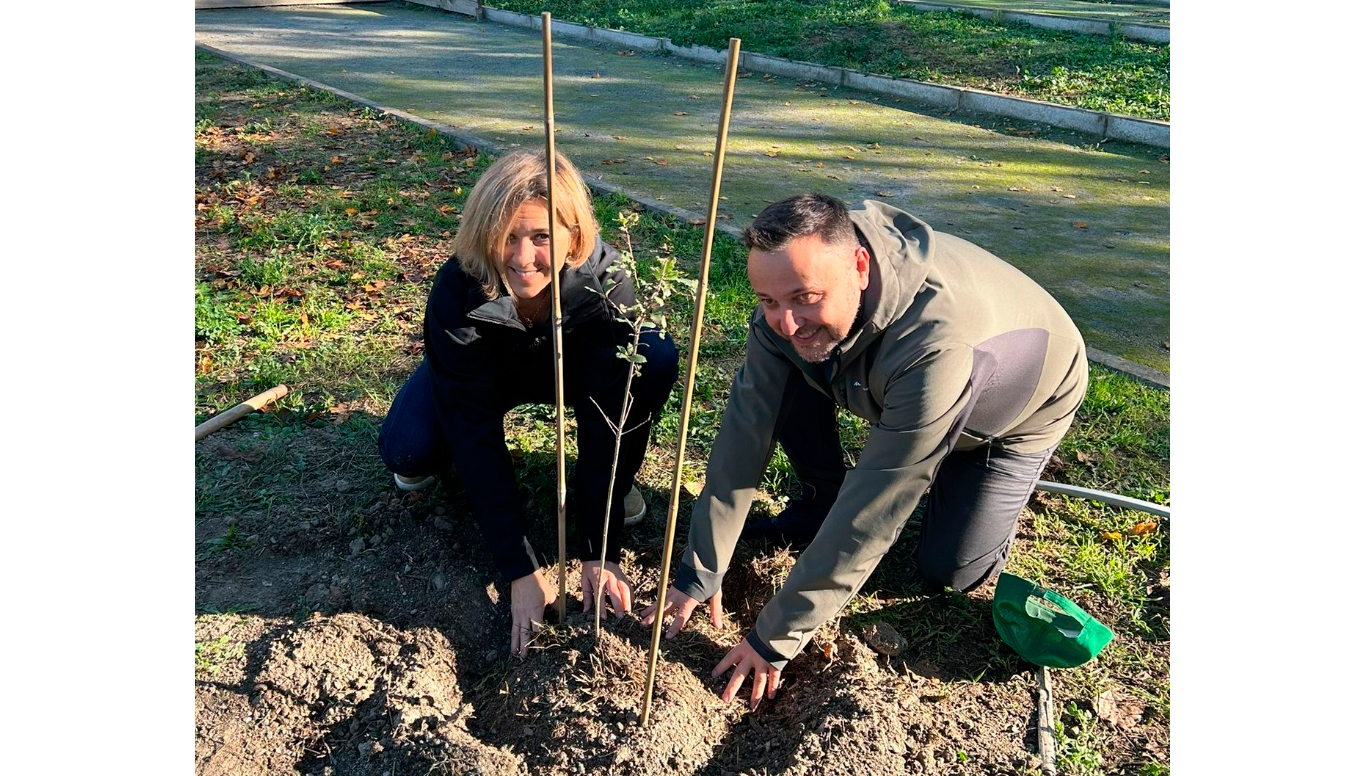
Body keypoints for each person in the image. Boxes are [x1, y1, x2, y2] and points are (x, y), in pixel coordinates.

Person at [641, 194, 1088, 708]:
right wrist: (701, 570)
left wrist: (774, 638)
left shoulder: (935, 342)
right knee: (792, 370)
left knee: (952, 570)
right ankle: (820, 498)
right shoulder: (793, 297)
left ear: (859, 267)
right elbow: (745, 433)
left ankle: (959, 473)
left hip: (1014, 412)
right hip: (893, 383)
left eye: (805, 298)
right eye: (768, 301)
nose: (785, 321)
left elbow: (874, 509)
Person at [379, 150, 679, 657]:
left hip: (577, 374)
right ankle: (427, 425)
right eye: (507, 237)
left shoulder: (607, 285)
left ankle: (614, 488)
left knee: (653, 356)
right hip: (486, 373)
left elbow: (610, 415)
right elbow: (472, 425)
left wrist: (598, 546)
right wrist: (518, 567)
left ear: (573, 238)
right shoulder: (459, 287)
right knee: (410, 452)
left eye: (541, 237)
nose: (522, 258)